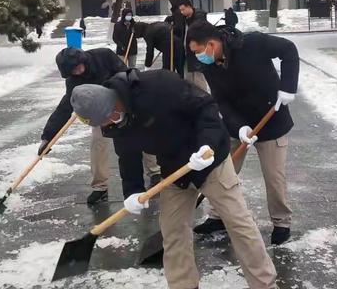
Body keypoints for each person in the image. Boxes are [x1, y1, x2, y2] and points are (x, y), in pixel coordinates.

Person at [70, 69, 278, 289]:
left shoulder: (160, 85)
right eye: (102, 123)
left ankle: (265, 284)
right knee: (173, 231)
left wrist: (206, 145)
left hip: (209, 159)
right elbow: (127, 156)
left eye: (108, 118)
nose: (107, 124)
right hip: (174, 169)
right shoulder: (115, 125)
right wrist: (132, 192)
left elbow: (206, 107)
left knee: (238, 222)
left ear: (113, 104)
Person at [187, 21, 299, 245]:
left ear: (211, 43)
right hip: (238, 126)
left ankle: (281, 222)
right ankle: (218, 216)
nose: (198, 57)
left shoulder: (252, 43)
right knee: (222, 172)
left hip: (271, 118)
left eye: (198, 52)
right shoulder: (209, 66)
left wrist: (288, 87)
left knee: (274, 177)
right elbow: (221, 100)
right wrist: (238, 127)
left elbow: (288, 50)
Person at [39, 47, 158, 204]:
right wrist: (48, 136)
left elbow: (126, 77)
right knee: (97, 142)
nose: (78, 71)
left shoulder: (104, 56)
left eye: (78, 66)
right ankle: (100, 187)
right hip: (99, 115)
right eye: (73, 70)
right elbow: (65, 107)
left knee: (140, 134)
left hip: (123, 104)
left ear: (83, 59)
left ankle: (155, 172)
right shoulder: (73, 80)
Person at [178, 0, 208, 91]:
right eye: (180, 10)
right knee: (189, 78)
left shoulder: (199, 16)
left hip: (198, 52)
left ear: (189, 6)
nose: (182, 12)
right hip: (187, 52)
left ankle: (204, 98)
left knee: (199, 77)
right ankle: (192, 98)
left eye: (183, 10)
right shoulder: (185, 18)